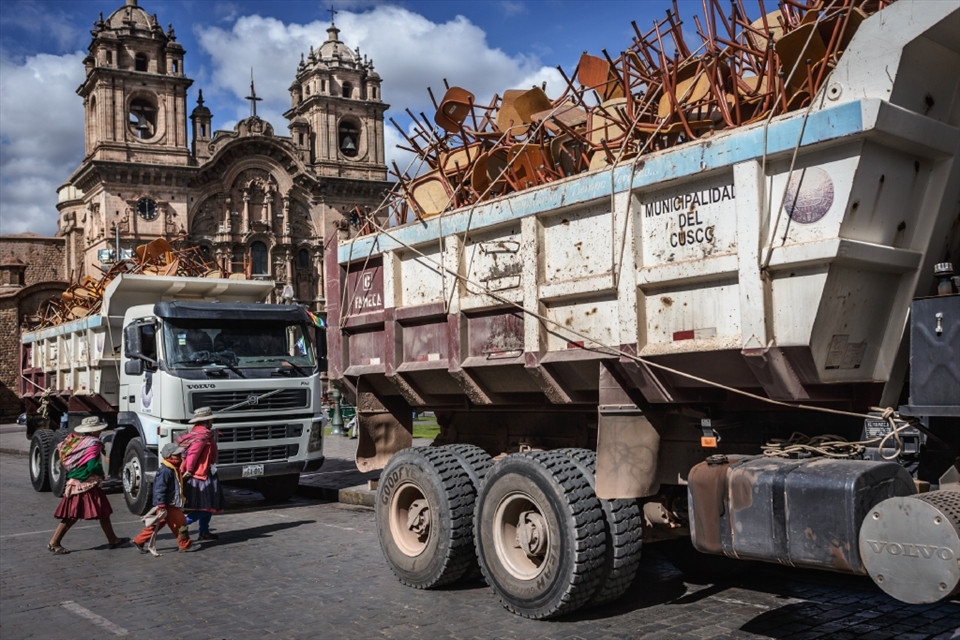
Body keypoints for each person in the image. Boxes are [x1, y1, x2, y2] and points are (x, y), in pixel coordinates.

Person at [47, 416, 129, 554]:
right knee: (71, 516)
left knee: (103, 512)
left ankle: (113, 539)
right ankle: (54, 542)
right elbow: (92, 465)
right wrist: (102, 473)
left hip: (80, 481)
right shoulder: (94, 444)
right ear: (95, 431)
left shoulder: (80, 442)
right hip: (85, 483)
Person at [133, 443, 198, 553]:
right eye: (177, 454)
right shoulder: (166, 470)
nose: (180, 456)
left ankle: (139, 540)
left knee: (157, 524)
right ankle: (185, 545)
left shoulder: (171, 468)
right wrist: (161, 504)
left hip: (168, 503)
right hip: (169, 504)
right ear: (169, 456)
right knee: (181, 524)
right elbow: (160, 488)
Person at [177, 406, 225, 540]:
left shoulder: (200, 433)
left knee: (210, 505)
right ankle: (182, 524)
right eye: (210, 420)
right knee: (206, 506)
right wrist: (189, 471)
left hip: (206, 472)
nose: (212, 422)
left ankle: (204, 532)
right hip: (200, 474)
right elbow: (193, 455)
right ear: (206, 421)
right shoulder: (202, 436)